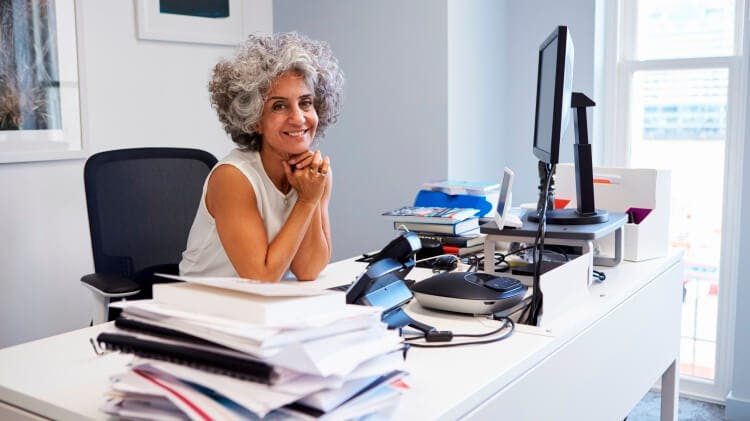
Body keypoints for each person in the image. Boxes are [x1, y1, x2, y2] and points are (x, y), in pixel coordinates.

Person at [179, 32, 344, 282]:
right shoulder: (233, 177)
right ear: (255, 120)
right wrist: (307, 201)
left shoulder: (315, 174)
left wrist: (309, 195)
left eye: (306, 102)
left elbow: (308, 270)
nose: (298, 118)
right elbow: (261, 276)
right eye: (279, 106)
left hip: (262, 308)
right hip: (200, 307)